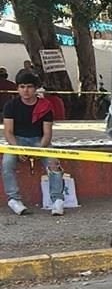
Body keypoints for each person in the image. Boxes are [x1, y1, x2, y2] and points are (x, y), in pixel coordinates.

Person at [2, 70, 64, 215]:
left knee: (54, 163)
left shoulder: (45, 106)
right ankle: (14, 199)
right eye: (22, 86)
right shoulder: (10, 106)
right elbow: (8, 132)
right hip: (17, 141)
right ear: (17, 88)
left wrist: (39, 151)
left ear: (35, 88)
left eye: (29, 86)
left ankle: (58, 201)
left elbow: (47, 134)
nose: (26, 90)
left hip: (39, 141)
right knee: (7, 163)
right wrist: (18, 150)